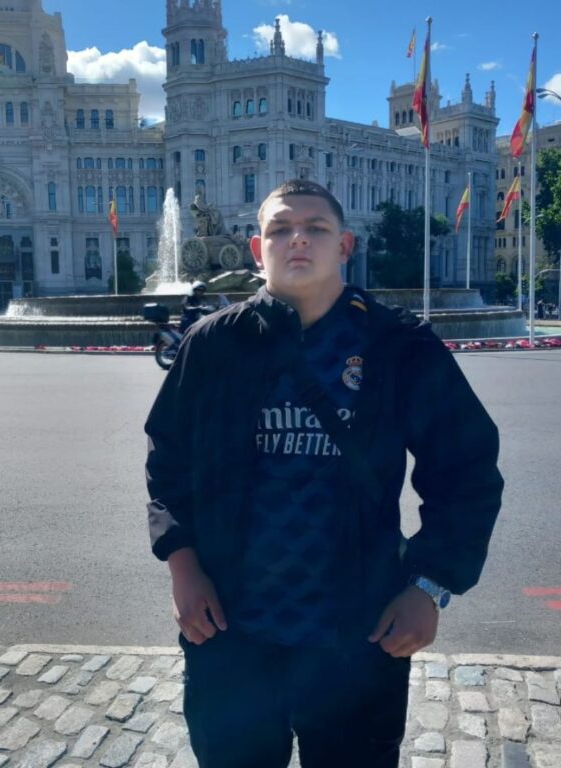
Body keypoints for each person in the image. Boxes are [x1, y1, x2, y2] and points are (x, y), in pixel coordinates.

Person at [145, 179, 503, 768]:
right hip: (230, 628)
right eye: (281, 229)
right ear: (257, 250)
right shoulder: (212, 346)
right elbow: (168, 460)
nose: (298, 240)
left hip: (358, 634)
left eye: (316, 228)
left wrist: (429, 587)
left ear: (345, 245)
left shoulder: (398, 345)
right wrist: (182, 568)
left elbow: (467, 469)